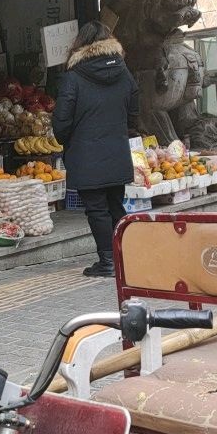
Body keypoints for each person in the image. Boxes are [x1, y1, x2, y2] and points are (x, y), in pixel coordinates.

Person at [51, 21, 140, 278]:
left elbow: (62, 121)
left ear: (81, 45)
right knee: (115, 204)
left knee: (97, 209)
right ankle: (125, 256)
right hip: (117, 151)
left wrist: (68, 140)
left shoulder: (74, 77)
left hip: (86, 155)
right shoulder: (124, 72)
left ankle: (108, 261)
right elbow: (134, 112)